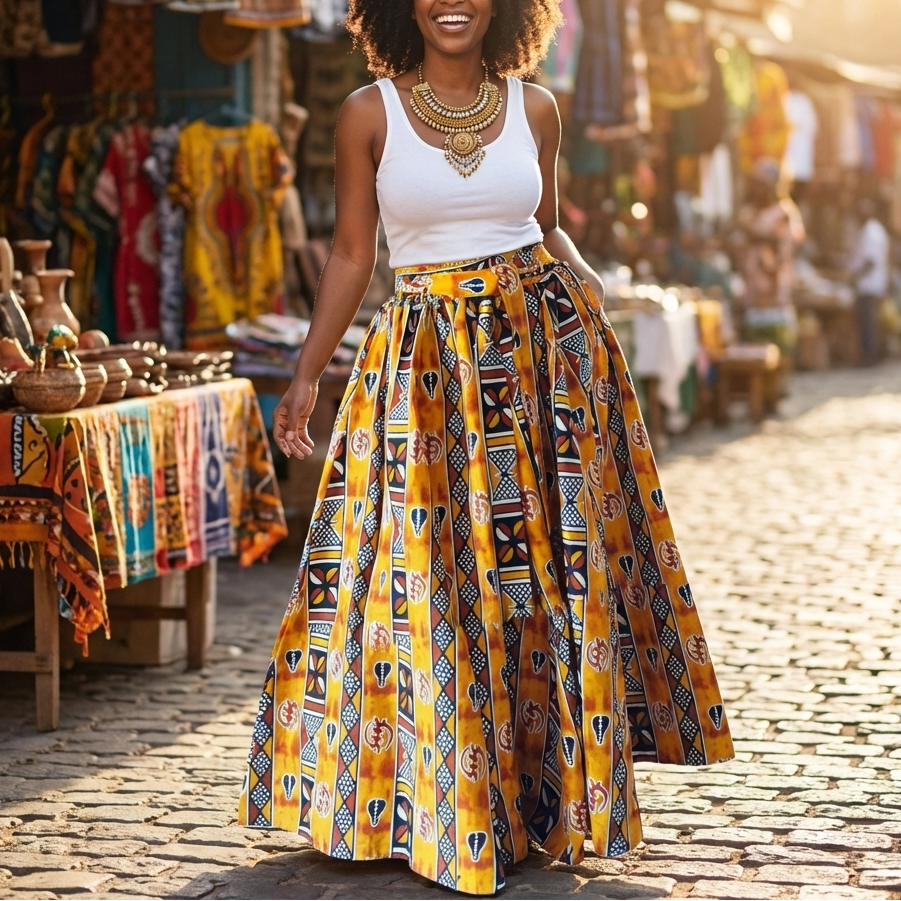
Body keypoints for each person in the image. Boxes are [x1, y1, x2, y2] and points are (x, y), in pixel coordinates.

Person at [238, 1, 733, 894]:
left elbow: (542, 228)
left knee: (534, 586)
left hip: (538, 362)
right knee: (431, 583)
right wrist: (308, 372)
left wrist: (592, 303)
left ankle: (539, 803)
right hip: (425, 371)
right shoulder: (367, 114)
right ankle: (445, 805)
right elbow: (355, 255)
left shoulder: (536, 107)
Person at [736, 156, 806, 354]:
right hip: (753, 282)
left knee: (777, 340)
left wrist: (758, 238)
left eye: (763, 185)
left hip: (774, 280)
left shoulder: (784, 211)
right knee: (754, 340)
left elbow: (783, 242)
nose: (759, 190)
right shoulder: (749, 211)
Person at [849, 197, 890, 366]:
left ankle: (870, 358)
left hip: (869, 284)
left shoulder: (872, 231)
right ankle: (869, 356)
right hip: (869, 283)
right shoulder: (870, 229)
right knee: (868, 322)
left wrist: (855, 276)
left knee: (868, 323)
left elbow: (870, 261)